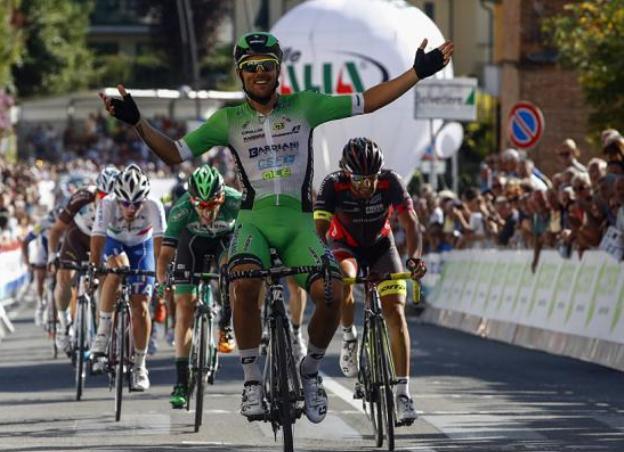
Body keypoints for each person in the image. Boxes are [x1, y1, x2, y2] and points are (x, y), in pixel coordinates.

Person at [99, 31, 453, 423]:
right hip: (255, 223)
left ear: (278, 69)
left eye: (267, 65)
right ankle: (252, 380)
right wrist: (137, 123)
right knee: (245, 283)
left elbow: (368, 101)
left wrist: (416, 73)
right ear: (240, 74)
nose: (259, 73)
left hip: (300, 224)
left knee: (334, 291)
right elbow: (175, 152)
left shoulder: (306, 105)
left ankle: (311, 370)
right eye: (250, 68)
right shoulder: (228, 120)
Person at [313, 138, 427, 425]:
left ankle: (403, 394)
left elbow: (411, 223)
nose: (366, 186)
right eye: (359, 180)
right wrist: (323, 262)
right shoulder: (332, 184)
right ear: (346, 173)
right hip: (344, 246)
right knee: (347, 279)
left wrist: (414, 259)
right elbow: (319, 232)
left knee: (396, 313)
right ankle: (349, 336)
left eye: (371, 179)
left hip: (381, 247)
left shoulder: (391, 182)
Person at [156, 165, 241, 409]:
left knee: (231, 272)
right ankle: (181, 382)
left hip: (224, 242)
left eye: (212, 205)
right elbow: (165, 255)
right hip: (191, 245)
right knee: (184, 307)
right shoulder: (181, 209)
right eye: (200, 206)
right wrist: (162, 281)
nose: (206, 212)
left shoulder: (236, 201)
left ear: (222, 198)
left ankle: (226, 325)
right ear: (191, 201)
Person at [89, 164, 165, 391]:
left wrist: (160, 275)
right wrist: (95, 268)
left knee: (141, 306)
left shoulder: (154, 204)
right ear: (117, 198)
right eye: (125, 203)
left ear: (145, 198)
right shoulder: (107, 203)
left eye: (136, 203)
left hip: (142, 246)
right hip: (115, 242)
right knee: (117, 269)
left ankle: (140, 366)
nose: (130, 209)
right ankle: (102, 334)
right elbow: (97, 239)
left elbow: (161, 245)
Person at [46, 166, 119, 354]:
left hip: (103, 241)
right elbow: (56, 230)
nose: (106, 200)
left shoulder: (121, 204)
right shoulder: (83, 196)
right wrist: (52, 256)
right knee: (64, 279)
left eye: (111, 196)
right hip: (78, 237)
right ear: (96, 190)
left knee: (105, 285)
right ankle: (64, 323)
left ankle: (100, 337)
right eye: (102, 194)